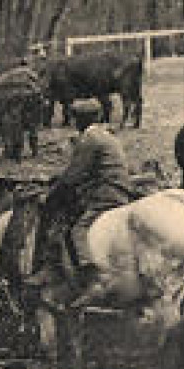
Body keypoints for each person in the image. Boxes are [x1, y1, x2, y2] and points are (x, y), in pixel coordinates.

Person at [44, 98, 134, 310]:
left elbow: (73, 176)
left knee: (77, 230)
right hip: (119, 188)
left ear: (79, 121)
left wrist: (53, 193)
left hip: (105, 193)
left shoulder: (90, 138)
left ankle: (92, 277)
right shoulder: (106, 135)